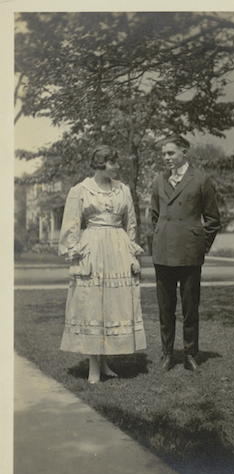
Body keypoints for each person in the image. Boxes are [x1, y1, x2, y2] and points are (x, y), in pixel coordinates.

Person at [58, 144, 146, 383]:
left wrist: (131, 252)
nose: (117, 167)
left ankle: (105, 362)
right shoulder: (80, 190)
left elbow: (131, 224)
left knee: (112, 305)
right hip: (92, 248)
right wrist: (75, 251)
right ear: (101, 164)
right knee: (92, 306)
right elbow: (71, 223)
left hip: (117, 249)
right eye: (113, 162)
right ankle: (93, 366)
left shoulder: (123, 190)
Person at [151, 135, 220, 372]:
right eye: (163, 154)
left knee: (190, 307)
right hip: (163, 254)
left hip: (190, 254)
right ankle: (167, 354)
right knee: (165, 308)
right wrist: (161, 236)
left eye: (171, 153)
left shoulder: (201, 179)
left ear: (184, 151)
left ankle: (191, 354)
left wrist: (200, 245)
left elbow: (213, 220)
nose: (166, 158)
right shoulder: (158, 180)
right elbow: (154, 216)